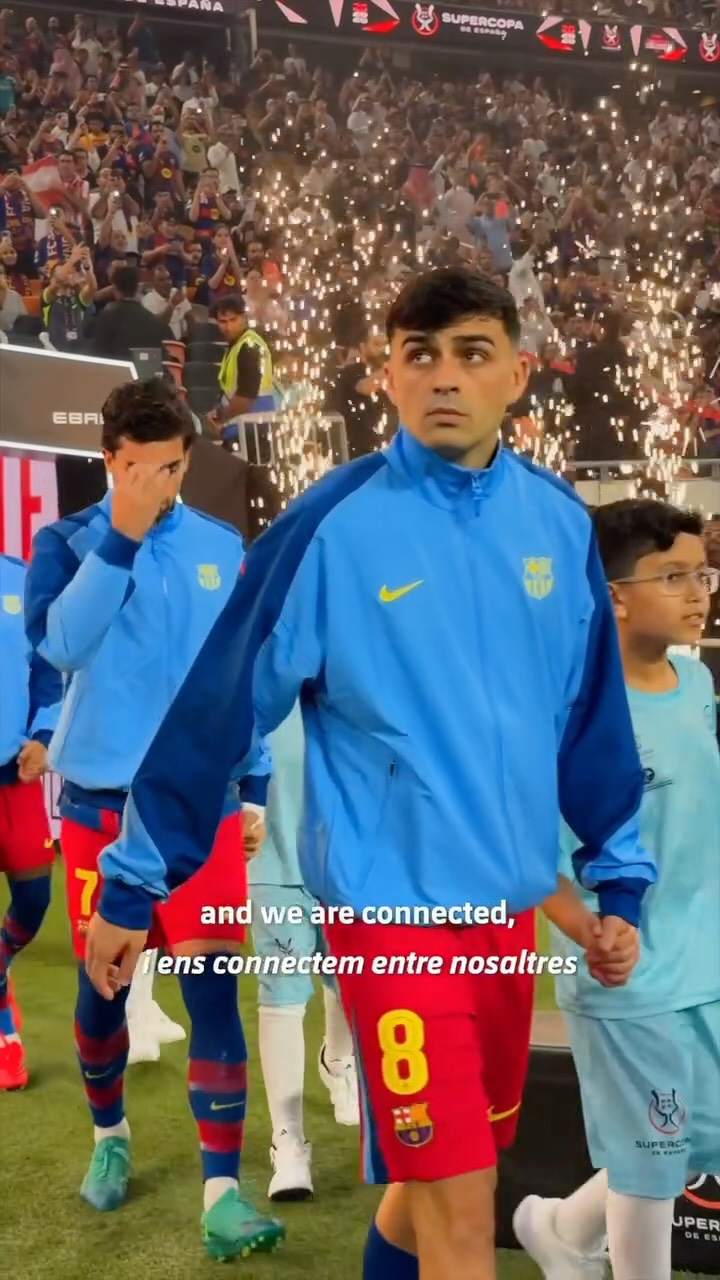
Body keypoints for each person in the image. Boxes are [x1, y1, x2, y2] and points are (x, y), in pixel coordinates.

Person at [85, 268, 656, 1280]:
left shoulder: (558, 524)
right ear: (387, 374)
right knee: (462, 1208)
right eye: (419, 355)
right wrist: (133, 881)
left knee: (427, 1189)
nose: (445, 377)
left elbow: (590, 720)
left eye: (472, 353)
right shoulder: (331, 525)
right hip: (391, 918)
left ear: (518, 373)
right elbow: (219, 705)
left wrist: (617, 879)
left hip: (504, 918)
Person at [24, 380, 284, 1262]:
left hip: (202, 815)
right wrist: (123, 536)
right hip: (102, 811)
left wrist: (254, 783)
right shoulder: (65, 542)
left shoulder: (219, 545)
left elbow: (238, 674)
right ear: (110, 460)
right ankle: (110, 1138)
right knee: (103, 990)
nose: (159, 485)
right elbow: (61, 646)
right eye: (140, 469)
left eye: (172, 468)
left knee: (212, 987)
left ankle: (223, 1193)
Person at [515, 498, 720, 1280]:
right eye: (673, 576)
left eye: (703, 574)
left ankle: (559, 1229)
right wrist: (586, 929)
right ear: (612, 596)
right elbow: (527, 847)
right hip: (626, 974)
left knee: (691, 1139)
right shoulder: (563, 713)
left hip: (705, 959)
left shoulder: (694, 683)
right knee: (651, 1160)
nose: (697, 593)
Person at [249, 701, 359, 1202]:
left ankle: (339, 1061)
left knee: (348, 978)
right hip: (272, 853)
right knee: (283, 995)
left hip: (350, 858)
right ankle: (287, 1139)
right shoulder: (257, 666)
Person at [0, 553, 61, 1089]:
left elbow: (47, 675)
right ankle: (6, 1034)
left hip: (13, 775)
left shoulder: (20, 579)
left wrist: (43, 737)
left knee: (35, 898)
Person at [206, 293, 277, 447]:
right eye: (223, 322)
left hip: (252, 429)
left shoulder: (248, 346)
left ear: (244, 318)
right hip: (247, 427)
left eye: (233, 320)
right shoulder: (237, 346)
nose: (228, 327)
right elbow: (231, 392)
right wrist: (218, 411)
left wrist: (221, 417)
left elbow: (246, 396)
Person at [90, 264, 170, 361]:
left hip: (116, 369)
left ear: (115, 290)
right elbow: (164, 357)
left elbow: (97, 355)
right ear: (137, 288)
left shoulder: (106, 318)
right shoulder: (154, 321)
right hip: (148, 370)